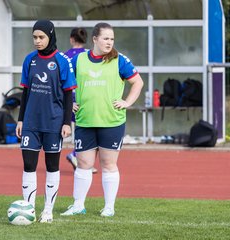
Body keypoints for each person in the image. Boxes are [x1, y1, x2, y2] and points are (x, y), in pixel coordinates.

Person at [61, 22, 144, 217]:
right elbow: (62, 81)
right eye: (105, 38)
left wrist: (127, 102)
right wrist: (69, 102)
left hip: (111, 122)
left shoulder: (119, 60)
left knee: (108, 165)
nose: (109, 42)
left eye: (112, 39)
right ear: (95, 39)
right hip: (85, 120)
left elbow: (138, 82)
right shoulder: (79, 59)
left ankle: (109, 207)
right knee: (83, 164)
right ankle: (78, 205)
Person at [16, 19, 76, 223]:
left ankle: (48, 210)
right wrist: (20, 120)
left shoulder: (62, 61)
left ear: (50, 36)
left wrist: (67, 123)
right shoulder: (29, 60)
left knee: (52, 166)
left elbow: (69, 95)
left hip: (54, 123)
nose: (37, 41)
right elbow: (25, 92)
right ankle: (29, 209)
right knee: (28, 164)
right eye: (34, 37)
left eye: (41, 37)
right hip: (31, 123)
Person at [64, 27, 97, 174]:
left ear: (71, 39)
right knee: (88, 129)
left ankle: (79, 158)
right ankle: (79, 157)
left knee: (75, 128)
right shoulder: (88, 55)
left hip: (69, 96)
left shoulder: (64, 56)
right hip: (85, 95)